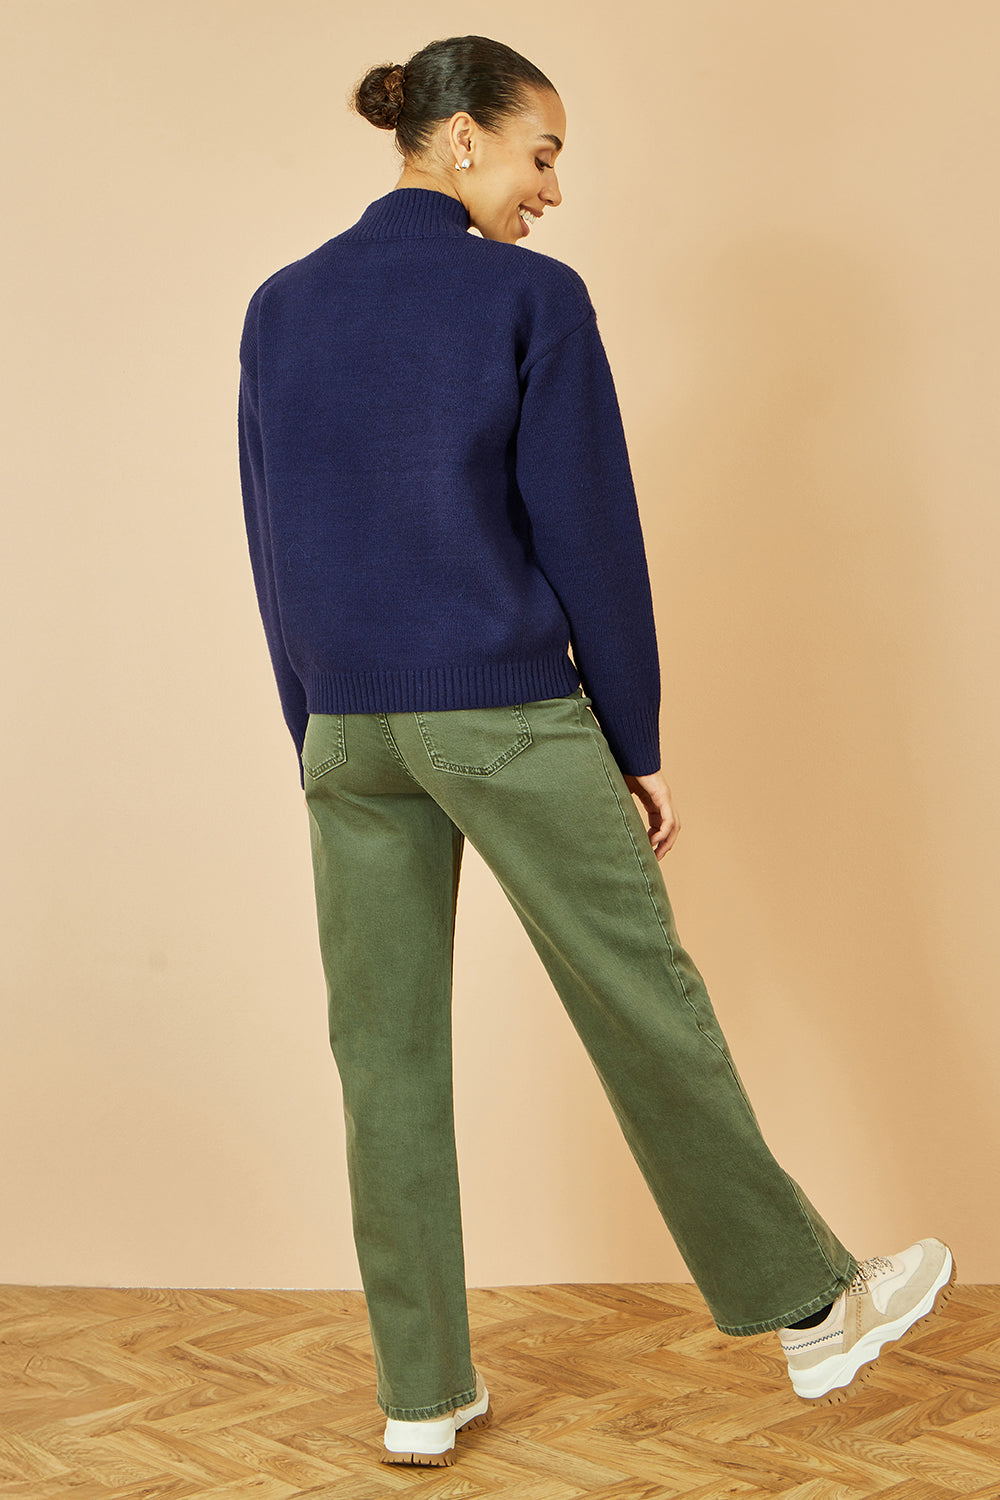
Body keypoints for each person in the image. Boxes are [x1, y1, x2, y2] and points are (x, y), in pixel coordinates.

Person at [237, 33, 955, 1471]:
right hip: (500, 712)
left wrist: (313, 723)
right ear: (461, 140)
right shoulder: (530, 297)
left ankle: (420, 1391)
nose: (552, 191)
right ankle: (814, 1305)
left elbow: (271, 527)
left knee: (382, 1057)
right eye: (541, 153)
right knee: (641, 1001)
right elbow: (589, 533)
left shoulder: (281, 304)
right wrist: (634, 735)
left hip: (348, 728)